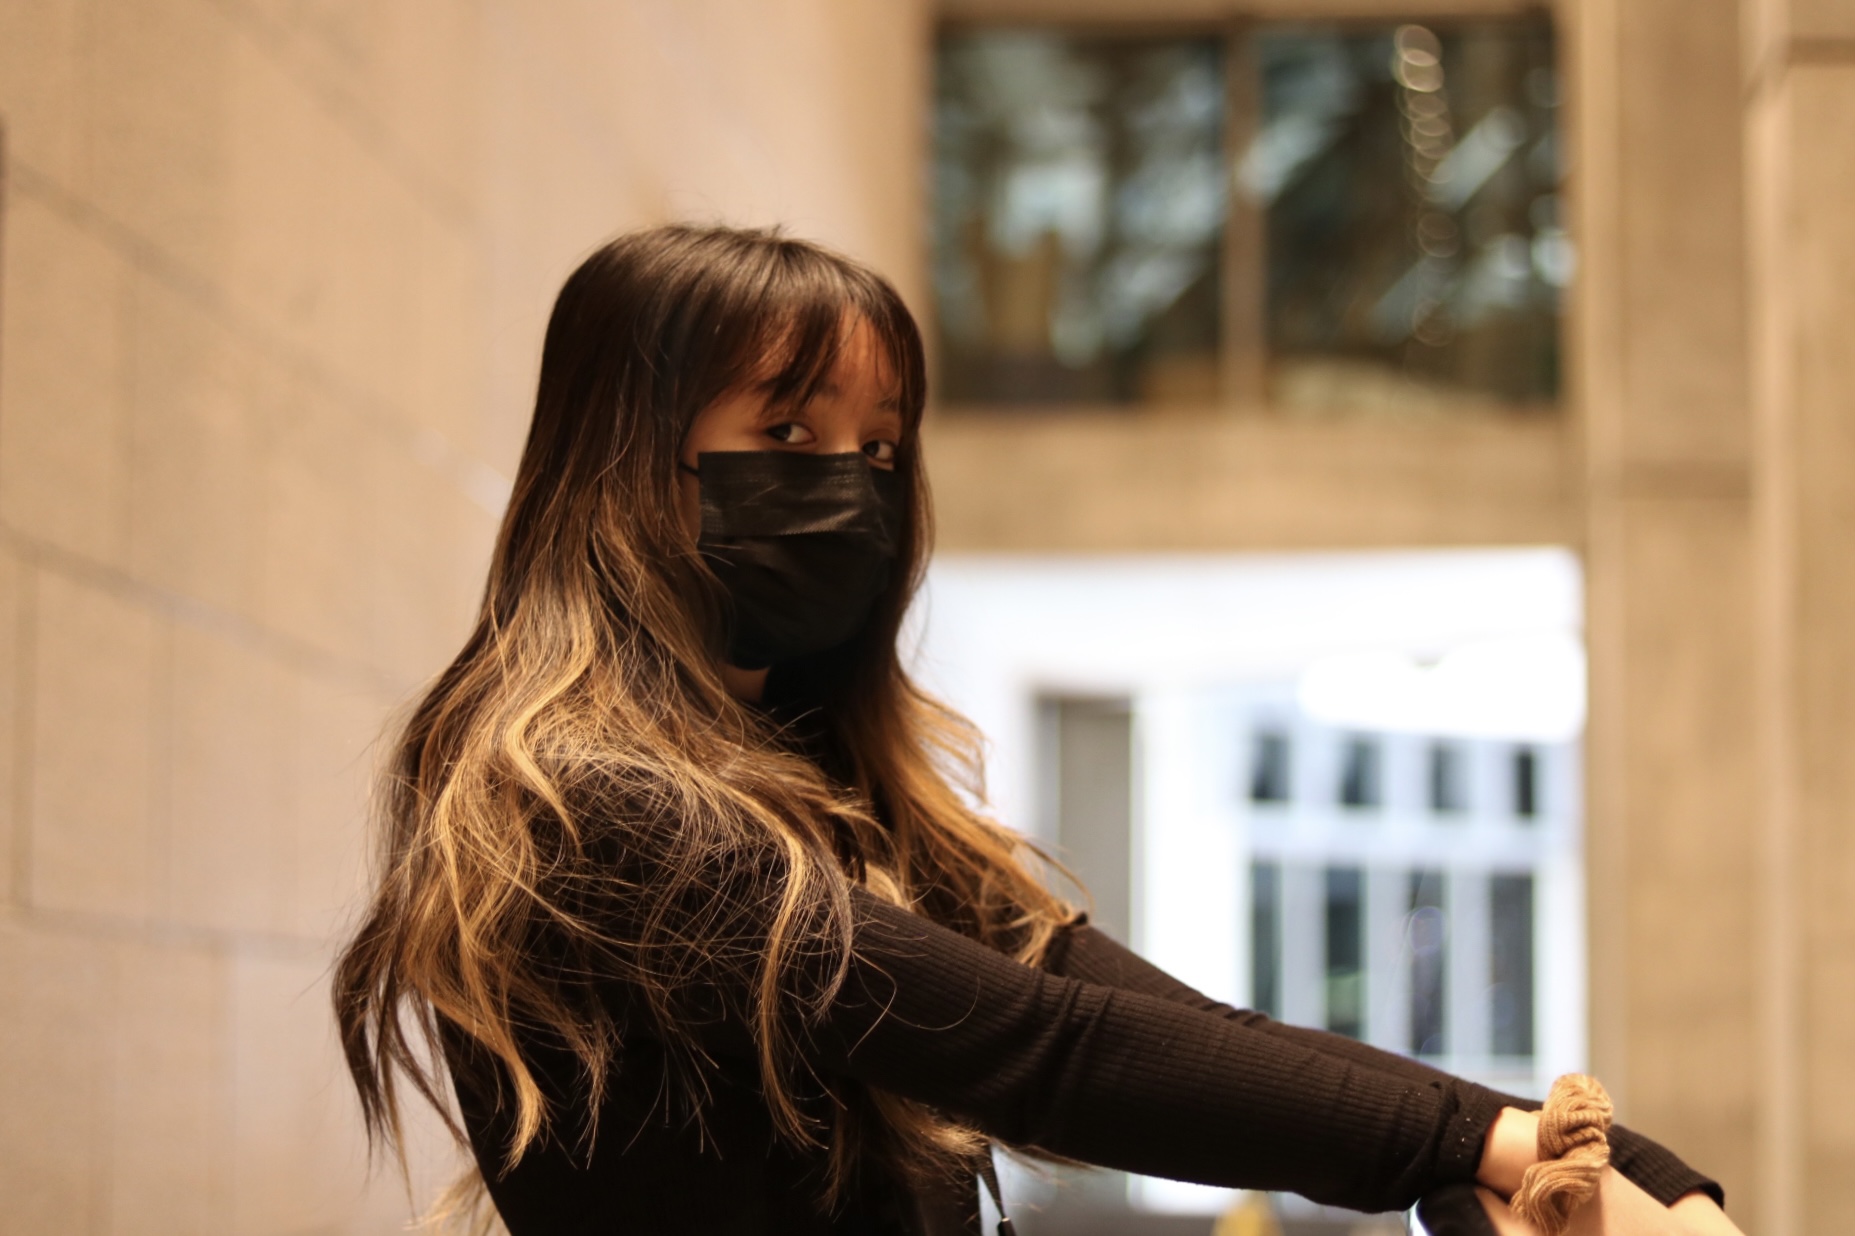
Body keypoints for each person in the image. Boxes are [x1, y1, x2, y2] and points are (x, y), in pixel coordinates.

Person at [332, 225, 1743, 1236]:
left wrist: (1535, 1150)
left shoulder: (824, 788)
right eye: (793, 436)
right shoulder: (581, 802)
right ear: (630, 461)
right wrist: (1473, 1144)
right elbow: (1036, 1051)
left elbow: (1144, 1018)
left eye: (880, 450)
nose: (856, 490)